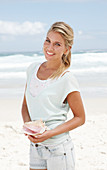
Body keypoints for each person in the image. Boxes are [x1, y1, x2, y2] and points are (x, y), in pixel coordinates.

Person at [21, 21, 85, 170]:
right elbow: (25, 105)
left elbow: (80, 117)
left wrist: (50, 133)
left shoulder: (66, 78)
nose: (50, 48)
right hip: (36, 146)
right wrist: (29, 128)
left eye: (57, 44)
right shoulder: (32, 69)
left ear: (67, 49)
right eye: (48, 41)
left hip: (59, 149)